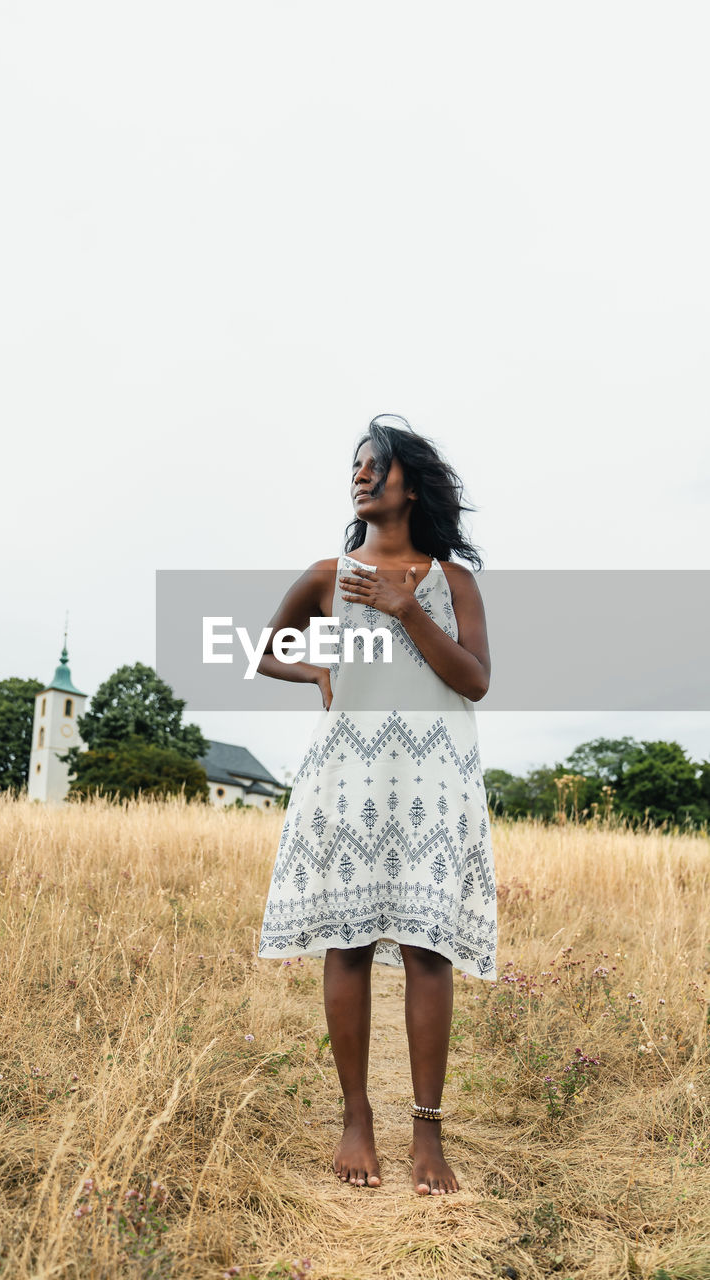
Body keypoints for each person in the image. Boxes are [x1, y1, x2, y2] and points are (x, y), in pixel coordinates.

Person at [256, 414, 496, 1197]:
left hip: (432, 784)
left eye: (377, 465)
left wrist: (406, 609)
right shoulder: (327, 575)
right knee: (349, 943)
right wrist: (317, 675)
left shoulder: (450, 581)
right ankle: (355, 1116)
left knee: (428, 952)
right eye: (356, 465)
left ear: (411, 484)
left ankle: (427, 1134)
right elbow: (266, 650)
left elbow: (473, 680)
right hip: (348, 779)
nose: (361, 475)